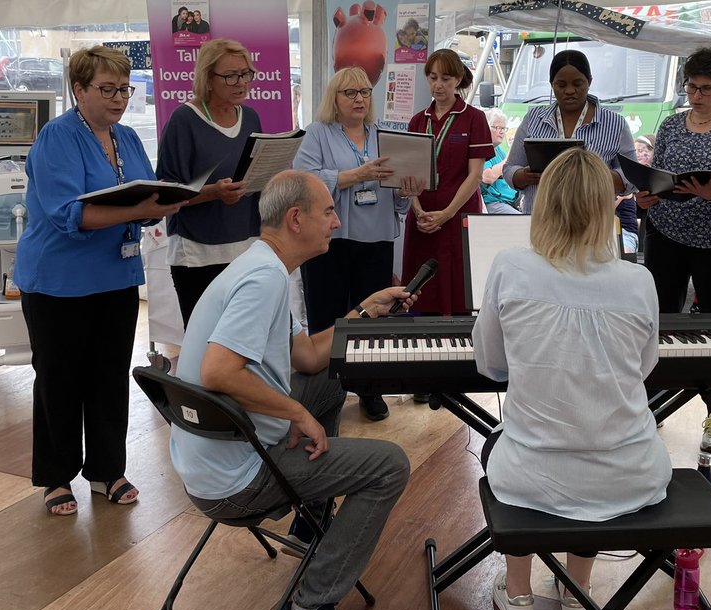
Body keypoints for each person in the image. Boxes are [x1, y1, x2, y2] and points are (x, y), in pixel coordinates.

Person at [169, 171, 413, 610]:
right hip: (237, 478)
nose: (337, 223)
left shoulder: (265, 265)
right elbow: (218, 371)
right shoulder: (265, 279)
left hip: (213, 457)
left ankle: (312, 518)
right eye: (328, 212)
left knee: (327, 381)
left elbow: (306, 358)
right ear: (296, 218)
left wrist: (363, 310)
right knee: (390, 467)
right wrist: (297, 415)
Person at [474, 149, 672, 610]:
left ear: (544, 204)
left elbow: (491, 366)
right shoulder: (639, 280)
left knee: (502, 443)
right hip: (630, 475)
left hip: (530, 478)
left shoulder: (508, 267)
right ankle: (576, 593)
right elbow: (643, 369)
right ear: (607, 208)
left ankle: (518, 594)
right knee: (591, 426)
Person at [15, 45, 182, 516]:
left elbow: (148, 191)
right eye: (107, 90)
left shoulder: (127, 137)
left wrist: (184, 196)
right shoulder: (57, 137)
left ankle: (108, 469)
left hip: (115, 275)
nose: (119, 99)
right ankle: (56, 476)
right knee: (59, 380)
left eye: (125, 89)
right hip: (58, 282)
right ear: (79, 89)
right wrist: (140, 210)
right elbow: (70, 213)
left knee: (109, 378)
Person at [635, 46, 711, 454]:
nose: (697, 96)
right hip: (666, 233)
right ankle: (654, 402)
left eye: (706, 89)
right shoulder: (671, 126)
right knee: (660, 321)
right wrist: (647, 196)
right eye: (691, 87)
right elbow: (658, 175)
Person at [293, 67, 421, 421]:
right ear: (334, 98)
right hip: (327, 243)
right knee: (327, 319)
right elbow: (304, 181)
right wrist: (353, 176)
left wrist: (407, 194)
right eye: (350, 93)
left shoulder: (386, 136)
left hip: (376, 240)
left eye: (364, 92)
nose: (359, 99)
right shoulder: (318, 133)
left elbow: (396, 202)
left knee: (372, 321)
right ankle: (323, 396)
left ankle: (370, 389)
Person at [156, 39, 262, 324]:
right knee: (205, 343)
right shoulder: (184, 120)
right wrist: (213, 193)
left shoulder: (250, 117)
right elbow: (165, 194)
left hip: (246, 245)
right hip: (197, 253)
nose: (241, 82)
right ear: (208, 79)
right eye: (231, 76)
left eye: (246, 73)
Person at [402, 49, 494, 315]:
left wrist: (446, 214)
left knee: (457, 289)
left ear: (457, 80)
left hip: (457, 217)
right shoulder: (418, 121)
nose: (438, 85)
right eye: (432, 78)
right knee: (420, 290)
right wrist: (418, 210)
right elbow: (409, 173)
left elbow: (475, 175)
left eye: (445, 78)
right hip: (422, 219)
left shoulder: (474, 118)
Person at [502, 49, 636, 212]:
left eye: (577, 84)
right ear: (552, 84)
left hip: (591, 223)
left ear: (589, 81)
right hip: (541, 221)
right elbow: (509, 169)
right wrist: (523, 176)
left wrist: (596, 176)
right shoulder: (533, 119)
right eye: (561, 85)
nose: (570, 91)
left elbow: (633, 177)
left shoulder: (615, 124)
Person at [480, 108, 520, 214]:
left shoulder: (497, 149)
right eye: (497, 128)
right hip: (495, 202)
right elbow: (487, 177)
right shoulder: (482, 149)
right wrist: (508, 158)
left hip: (512, 200)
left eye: (504, 128)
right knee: (526, 222)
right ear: (486, 128)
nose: (502, 132)